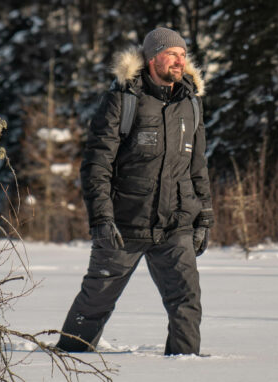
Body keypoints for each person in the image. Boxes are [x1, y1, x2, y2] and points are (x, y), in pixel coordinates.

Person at [56, 27, 214, 356]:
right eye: (172, 54)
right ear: (153, 57)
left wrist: (204, 218)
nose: (179, 60)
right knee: (95, 301)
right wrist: (101, 218)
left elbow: (196, 168)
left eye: (183, 55)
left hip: (175, 225)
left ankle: (185, 369)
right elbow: (96, 165)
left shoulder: (191, 105)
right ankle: (69, 360)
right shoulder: (123, 100)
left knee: (187, 302)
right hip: (123, 226)